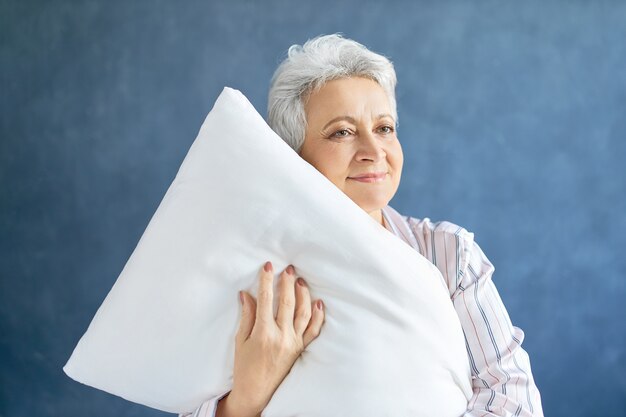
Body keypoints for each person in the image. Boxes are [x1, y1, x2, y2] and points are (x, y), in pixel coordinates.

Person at [182, 34, 544, 417]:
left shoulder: (450, 255)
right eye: (342, 132)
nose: (374, 152)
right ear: (292, 156)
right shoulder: (256, 274)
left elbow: (514, 399)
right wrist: (245, 399)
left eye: (384, 128)